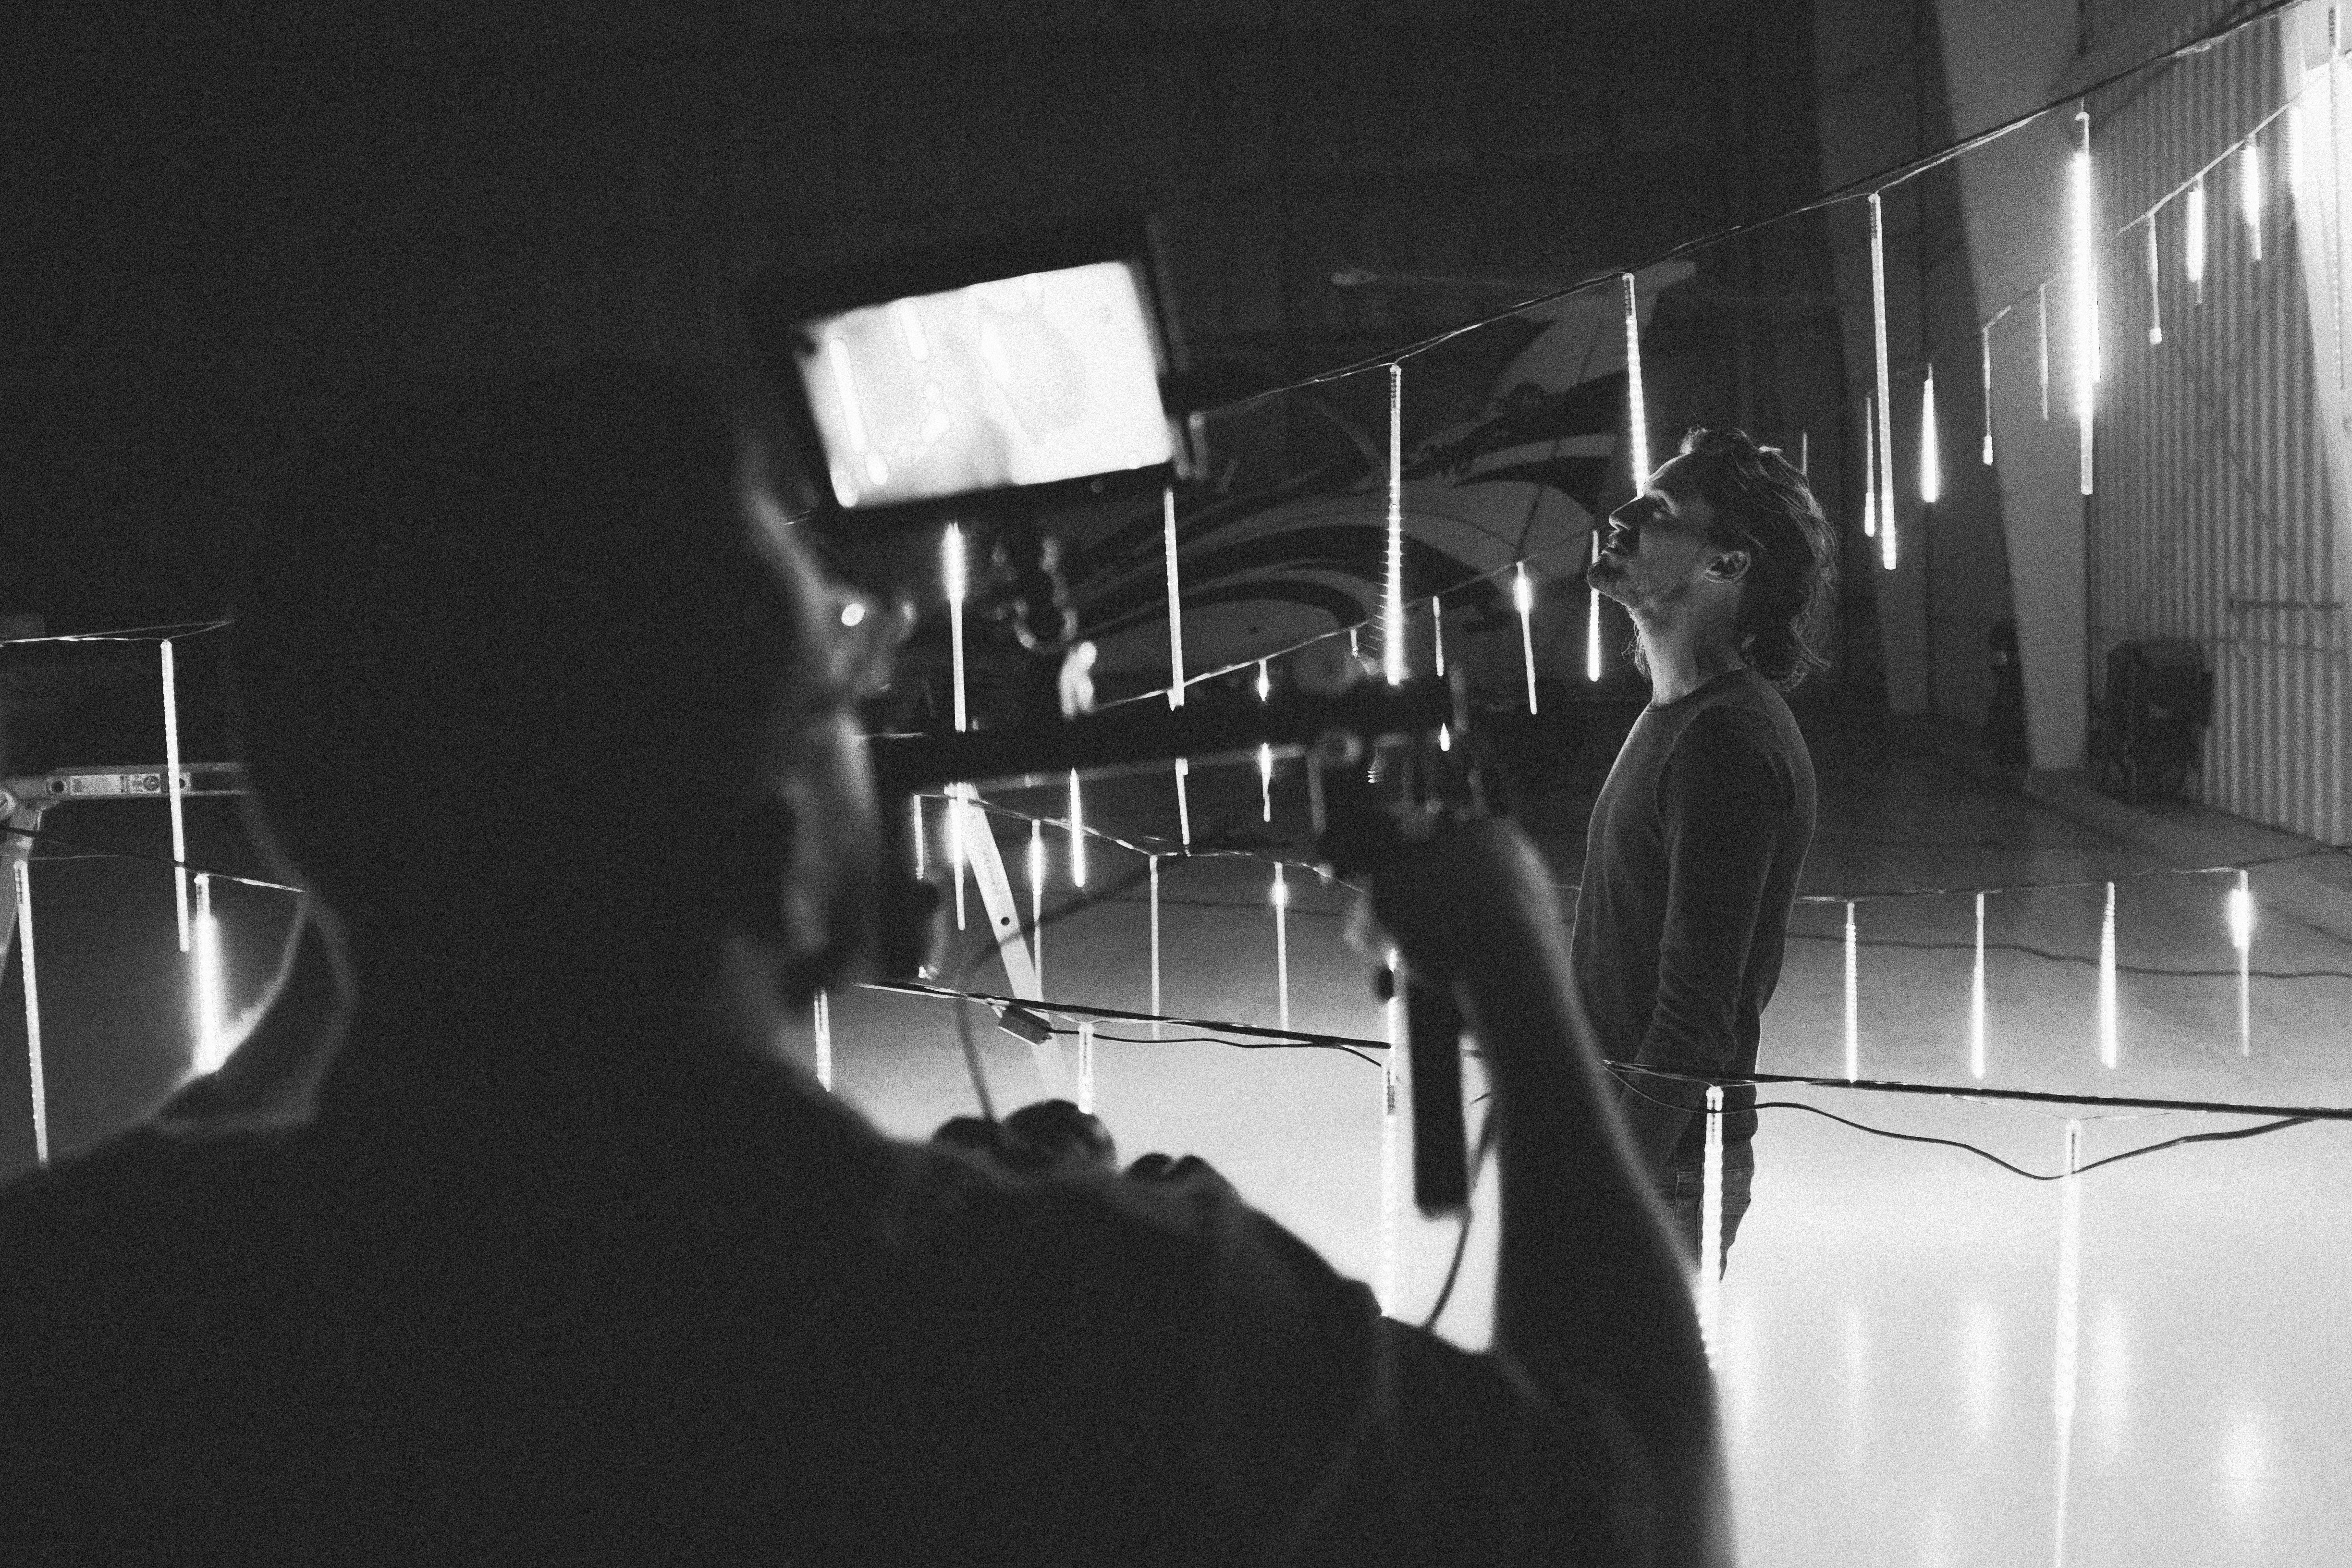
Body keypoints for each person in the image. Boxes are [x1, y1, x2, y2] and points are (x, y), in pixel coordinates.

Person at [0, 364, 1731, 1565]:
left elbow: (178, 1190)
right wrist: (1509, 969)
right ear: (771, 844)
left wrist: (389, 902)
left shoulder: (94, 1315)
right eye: (836, 681)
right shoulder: (1101, 1327)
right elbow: (1637, 1501)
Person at [1576, 428, 1833, 1276]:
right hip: (1642, 1156)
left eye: (1658, 512)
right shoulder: (1680, 719)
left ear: (1729, 563)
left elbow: (1693, 1024)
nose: (1622, 516)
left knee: (1612, 1412)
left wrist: (1608, 1187)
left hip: (1663, 1173)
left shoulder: (1725, 743)